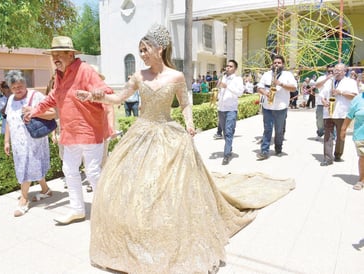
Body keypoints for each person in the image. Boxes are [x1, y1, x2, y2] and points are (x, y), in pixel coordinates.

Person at [78, 24, 294, 274]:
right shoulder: (139, 76)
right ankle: (134, 233)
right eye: (140, 51)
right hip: (141, 134)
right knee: (132, 186)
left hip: (167, 134)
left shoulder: (176, 77)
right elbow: (117, 99)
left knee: (168, 187)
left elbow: (184, 104)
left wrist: (190, 124)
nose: (142, 55)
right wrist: (94, 96)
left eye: (145, 49)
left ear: (160, 49)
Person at [23, 36, 115, 225]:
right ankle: (77, 210)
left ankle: (105, 211)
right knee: (69, 170)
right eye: (53, 55)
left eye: (59, 54)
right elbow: (53, 97)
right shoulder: (59, 74)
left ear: (71, 54)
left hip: (90, 131)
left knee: (92, 172)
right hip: (69, 132)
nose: (55, 58)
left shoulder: (85, 70)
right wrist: (35, 111)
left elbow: (107, 92)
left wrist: (98, 94)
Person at [3, 70, 55, 217]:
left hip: (34, 141)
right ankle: (45, 190)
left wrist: (34, 111)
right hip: (18, 143)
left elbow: (52, 113)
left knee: (26, 168)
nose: (17, 90)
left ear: (25, 84)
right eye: (14, 88)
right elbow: (9, 120)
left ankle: (24, 200)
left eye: (20, 86)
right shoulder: (11, 99)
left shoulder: (36, 96)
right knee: (31, 166)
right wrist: (7, 141)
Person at [256, 55, 297, 160]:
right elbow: (259, 87)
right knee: (267, 129)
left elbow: (293, 88)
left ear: (283, 64)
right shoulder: (266, 74)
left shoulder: (288, 75)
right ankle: (264, 151)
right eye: (275, 63)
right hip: (267, 106)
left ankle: (278, 148)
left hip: (281, 107)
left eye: (279, 63)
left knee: (279, 130)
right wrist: (265, 93)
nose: (276, 65)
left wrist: (281, 84)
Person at [319, 63, 359, 166]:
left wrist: (340, 92)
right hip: (329, 112)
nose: (335, 72)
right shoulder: (329, 81)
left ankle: (338, 154)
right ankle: (327, 158)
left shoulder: (350, 82)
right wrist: (324, 101)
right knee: (328, 135)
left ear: (344, 72)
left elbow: (354, 96)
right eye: (335, 70)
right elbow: (322, 95)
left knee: (341, 135)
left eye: (338, 70)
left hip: (342, 112)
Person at [216, 60, 244, 165]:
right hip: (221, 109)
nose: (228, 68)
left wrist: (227, 86)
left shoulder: (238, 79)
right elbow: (219, 90)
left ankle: (226, 155)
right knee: (225, 132)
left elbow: (240, 93)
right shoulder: (223, 77)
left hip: (231, 109)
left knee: (228, 132)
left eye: (230, 66)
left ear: (235, 69)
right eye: (227, 66)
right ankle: (229, 147)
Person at [341, 93, 364, 190]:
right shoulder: (358, 99)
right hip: (361, 135)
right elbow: (350, 115)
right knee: (363, 157)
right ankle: (362, 179)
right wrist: (343, 128)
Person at [315, 65, 334, 139]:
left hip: (332, 103)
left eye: (332, 71)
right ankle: (320, 133)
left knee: (333, 120)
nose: (330, 72)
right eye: (329, 71)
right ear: (326, 70)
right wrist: (327, 78)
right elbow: (317, 86)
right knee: (320, 120)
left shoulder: (336, 78)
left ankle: (332, 136)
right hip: (321, 102)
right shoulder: (322, 78)